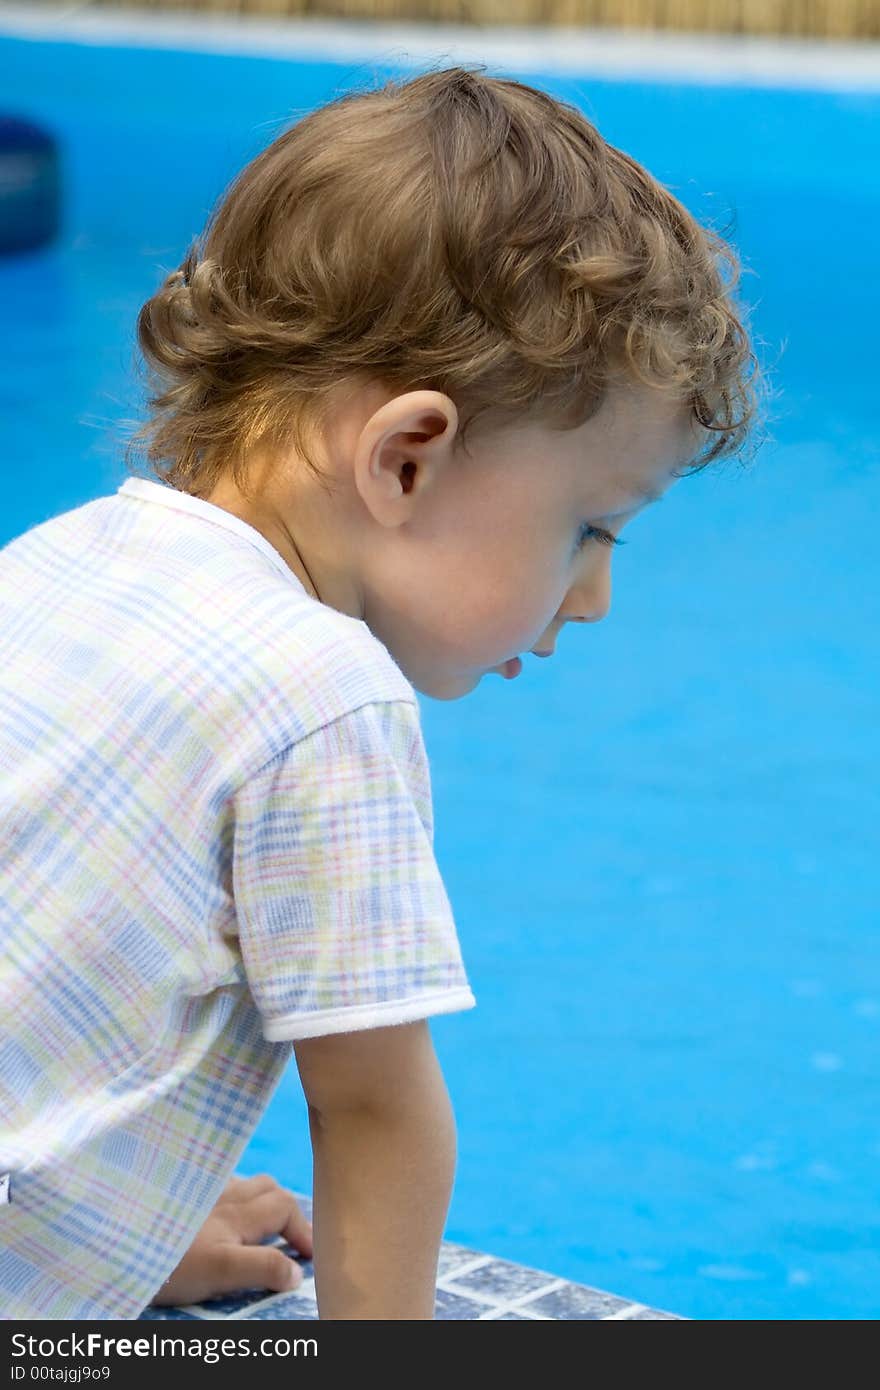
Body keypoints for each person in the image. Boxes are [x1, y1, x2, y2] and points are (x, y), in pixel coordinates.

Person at [0, 65, 763, 1320]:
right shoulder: (321, 697)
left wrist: (118, 1225)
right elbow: (370, 1107)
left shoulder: (58, 558)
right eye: (592, 526)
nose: (594, 598)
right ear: (407, 458)